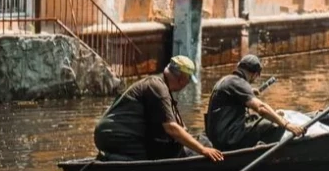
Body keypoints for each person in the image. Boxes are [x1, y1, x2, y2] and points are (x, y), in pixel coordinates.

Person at [94, 55, 224, 162]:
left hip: (115, 134)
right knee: (145, 161)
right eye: (188, 80)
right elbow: (171, 128)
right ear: (181, 79)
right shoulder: (157, 87)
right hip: (115, 135)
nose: (187, 84)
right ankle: (110, 160)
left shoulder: (161, 88)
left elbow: (177, 128)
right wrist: (203, 150)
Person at [205, 54, 306, 151]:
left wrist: (249, 92)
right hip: (227, 140)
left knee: (269, 118)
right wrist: (287, 124)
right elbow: (261, 108)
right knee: (275, 124)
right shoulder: (238, 83)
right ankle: (263, 154)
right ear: (255, 74)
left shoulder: (227, 80)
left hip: (218, 137)